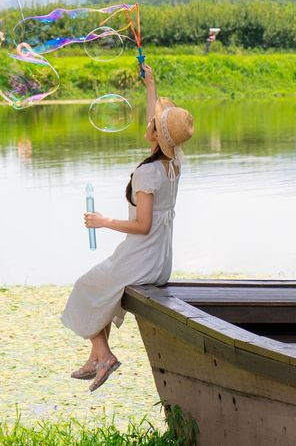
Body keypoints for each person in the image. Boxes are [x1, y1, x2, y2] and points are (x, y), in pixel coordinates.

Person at [61, 64, 194, 392]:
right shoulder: (173, 161)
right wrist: (151, 86)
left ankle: (104, 355)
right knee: (100, 287)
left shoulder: (146, 175)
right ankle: (97, 356)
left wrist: (103, 222)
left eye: (153, 123)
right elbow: (158, 128)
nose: (149, 123)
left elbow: (142, 224)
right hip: (159, 260)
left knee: (85, 287)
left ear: (157, 135)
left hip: (141, 259)